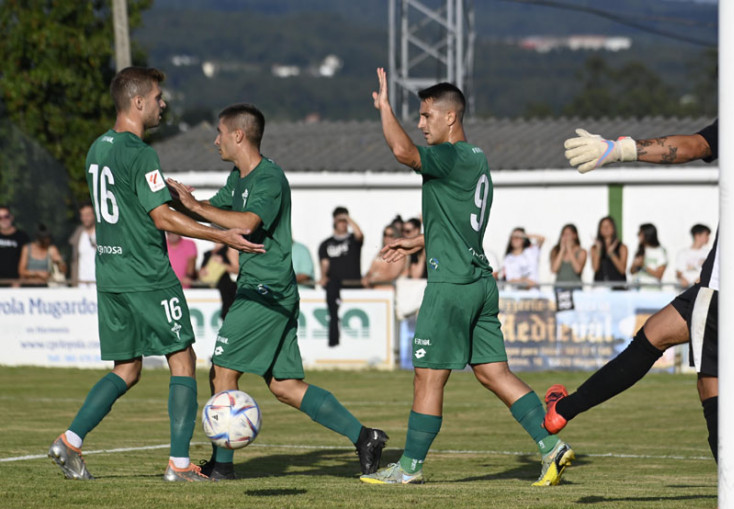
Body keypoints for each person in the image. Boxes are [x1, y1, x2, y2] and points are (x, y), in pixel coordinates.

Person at [545, 43, 734, 509]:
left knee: (690, 367)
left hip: (729, 278)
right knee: (672, 346)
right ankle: (564, 411)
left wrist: (621, 149)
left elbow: (693, 146)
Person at [48, 66, 265, 483]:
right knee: (182, 359)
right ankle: (180, 466)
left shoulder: (98, 148)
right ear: (138, 102)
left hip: (110, 273)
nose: (163, 104)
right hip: (146, 272)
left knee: (127, 369)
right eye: (158, 97)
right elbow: (161, 217)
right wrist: (223, 236)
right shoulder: (139, 151)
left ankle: (70, 441)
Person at [360, 67, 573, 486]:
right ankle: (552, 447)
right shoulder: (476, 159)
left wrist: (385, 109)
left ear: (450, 118)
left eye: (425, 116)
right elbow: (462, 223)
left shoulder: (449, 156)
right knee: (494, 373)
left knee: (428, 376)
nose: (420, 125)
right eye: (418, 117)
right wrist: (419, 241)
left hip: (452, 285)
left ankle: (409, 468)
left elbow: (404, 153)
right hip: (479, 280)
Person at [166, 103, 388, 481]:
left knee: (222, 371)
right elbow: (208, 211)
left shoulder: (268, 178)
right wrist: (166, 197)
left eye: (220, 132)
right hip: (267, 290)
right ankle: (365, 437)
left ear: (239, 135)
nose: (215, 140)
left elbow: (247, 222)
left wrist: (194, 205)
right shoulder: (239, 178)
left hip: (264, 290)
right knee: (285, 386)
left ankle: (222, 466)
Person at [318, 206, 364, 346]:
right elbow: (324, 264)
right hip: (335, 286)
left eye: (345, 221)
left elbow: (359, 234)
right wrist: (323, 276)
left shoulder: (352, 240)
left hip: (354, 285)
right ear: (334, 221)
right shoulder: (326, 244)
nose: (343, 223)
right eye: (340, 220)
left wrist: (348, 218)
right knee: (333, 311)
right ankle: (334, 339)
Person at [198, 242, 239, 319]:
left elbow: (236, 270)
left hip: (227, 285)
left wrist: (222, 264)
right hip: (212, 285)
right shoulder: (208, 253)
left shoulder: (229, 250)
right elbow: (201, 272)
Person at [590, 215, 628, 289]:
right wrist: (598, 249)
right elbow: (595, 268)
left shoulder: (622, 247)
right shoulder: (594, 248)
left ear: (613, 228)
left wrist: (611, 253)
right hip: (600, 286)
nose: (606, 228)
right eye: (603, 226)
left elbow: (622, 270)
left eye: (608, 226)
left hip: (618, 286)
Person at [629, 223, 667, 290]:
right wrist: (635, 265)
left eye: (640, 233)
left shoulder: (660, 251)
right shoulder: (640, 250)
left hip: (651, 291)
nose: (638, 235)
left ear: (648, 234)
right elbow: (631, 271)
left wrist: (643, 266)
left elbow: (659, 275)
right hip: (636, 289)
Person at [68, 203, 97, 288]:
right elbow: (74, 259)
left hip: (99, 282)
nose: (85, 218)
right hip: (81, 283)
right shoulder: (78, 234)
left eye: (88, 215)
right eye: (82, 215)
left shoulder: (102, 233)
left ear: (94, 215)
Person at [0, 205, 30, 287]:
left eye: (6, 216)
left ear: (11, 217)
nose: (3, 220)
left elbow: (28, 261)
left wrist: (20, 281)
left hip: (15, 285)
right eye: (0, 217)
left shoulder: (22, 236)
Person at [675, 224, 712, 288]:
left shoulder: (708, 254)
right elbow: (678, 272)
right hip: (685, 290)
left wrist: (701, 279)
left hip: (701, 290)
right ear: (697, 236)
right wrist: (683, 279)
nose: (708, 238)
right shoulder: (683, 253)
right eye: (706, 235)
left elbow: (710, 272)